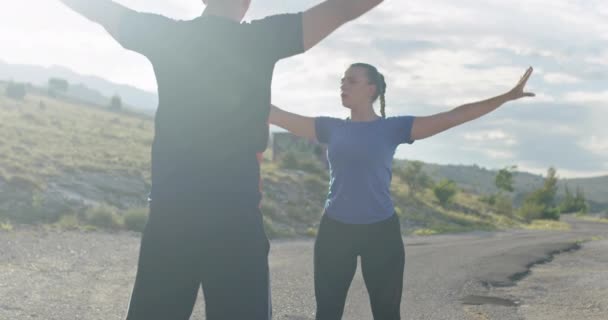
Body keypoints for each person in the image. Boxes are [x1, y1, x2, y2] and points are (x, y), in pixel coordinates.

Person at [57, 0, 386, 319]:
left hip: (171, 218)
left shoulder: (165, 34)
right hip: (235, 221)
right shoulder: (263, 37)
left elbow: (100, 9)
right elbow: (341, 8)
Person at [269, 63, 535, 319]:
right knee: (327, 313)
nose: (343, 85)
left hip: (381, 232)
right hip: (335, 230)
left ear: (371, 89)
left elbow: (454, 116)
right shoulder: (330, 127)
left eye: (351, 80)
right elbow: (277, 115)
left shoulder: (392, 128)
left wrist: (507, 96)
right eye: (342, 80)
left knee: (387, 314)